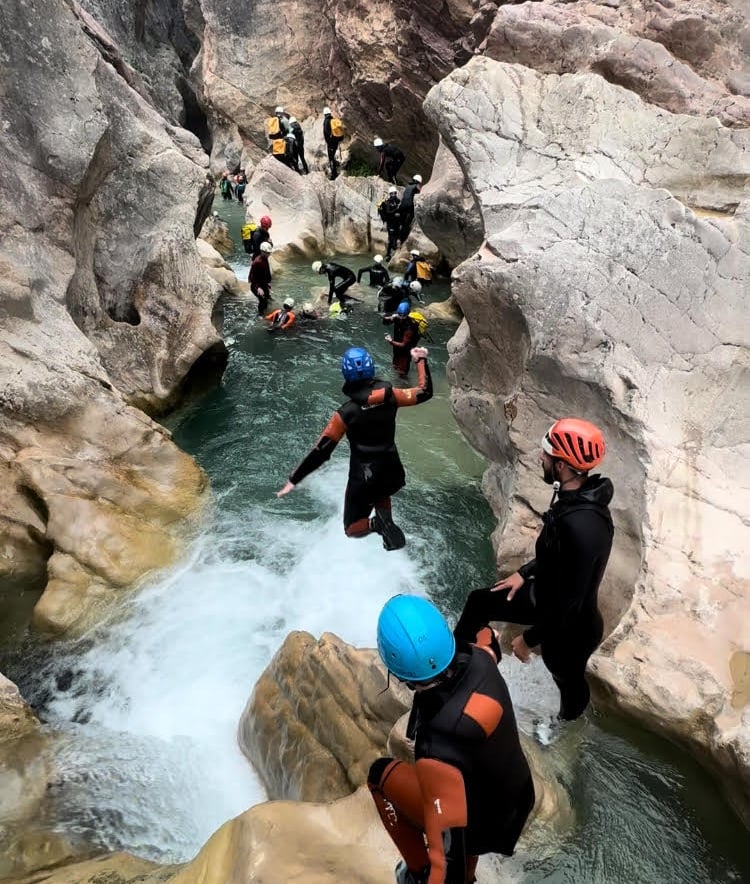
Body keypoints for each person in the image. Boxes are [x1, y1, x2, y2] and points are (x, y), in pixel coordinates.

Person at [454, 418, 614, 725]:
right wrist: (524, 572)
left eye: (548, 454)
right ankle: (455, 668)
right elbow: (558, 556)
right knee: (479, 601)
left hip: (570, 628)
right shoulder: (575, 502)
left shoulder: (584, 524)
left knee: (565, 678)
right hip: (548, 598)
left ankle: (567, 724)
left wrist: (529, 639)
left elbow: (571, 604)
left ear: (563, 466)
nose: (541, 458)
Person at [369, 594, 535, 884]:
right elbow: (489, 640)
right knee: (468, 794)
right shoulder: (481, 659)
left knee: (379, 776)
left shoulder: (437, 749)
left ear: (396, 672)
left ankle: (417, 873)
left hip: (477, 823)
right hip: (515, 802)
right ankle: (470, 874)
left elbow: (446, 852)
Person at [276, 346, 433, 550]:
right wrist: (420, 360)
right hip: (391, 467)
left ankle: (377, 523)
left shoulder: (345, 414)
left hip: (364, 475)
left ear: (345, 375)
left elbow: (321, 451)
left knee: (351, 528)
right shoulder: (391, 396)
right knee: (382, 492)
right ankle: (386, 521)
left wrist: (293, 479)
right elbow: (425, 391)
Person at [384, 300, 421, 375]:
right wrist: (391, 317)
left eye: (403, 316)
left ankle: (405, 384)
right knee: (395, 367)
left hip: (405, 352)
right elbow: (384, 322)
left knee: (402, 372)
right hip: (397, 348)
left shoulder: (410, 327)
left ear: (407, 314)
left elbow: (404, 345)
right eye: (400, 315)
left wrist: (391, 341)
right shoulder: (397, 318)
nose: (401, 317)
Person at [249, 241, 273, 315]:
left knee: (267, 297)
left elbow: (267, 270)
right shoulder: (257, 262)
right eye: (267, 253)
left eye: (269, 253)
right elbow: (252, 276)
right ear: (262, 252)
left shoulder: (265, 258)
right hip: (256, 285)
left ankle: (267, 310)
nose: (269, 254)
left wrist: (268, 281)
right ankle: (260, 315)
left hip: (263, 283)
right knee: (262, 301)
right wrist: (258, 288)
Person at [399, 175, 423, 244]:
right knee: (407, 223)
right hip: (409, 206)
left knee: (402, 223)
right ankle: (402, 239)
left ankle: (398, 237)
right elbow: (421, 191)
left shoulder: (408, 186)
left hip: (402, 206)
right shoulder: (416, 186)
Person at [323, 107, 344, 180]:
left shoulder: (326, 122)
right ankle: (336, 164)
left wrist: (328, 142)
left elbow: (326, 133)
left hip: (331, 143)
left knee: (331, 158)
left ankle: (334, 174)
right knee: (333, 153)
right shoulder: (333, 120)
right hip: (336, 141)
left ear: (324, 114)